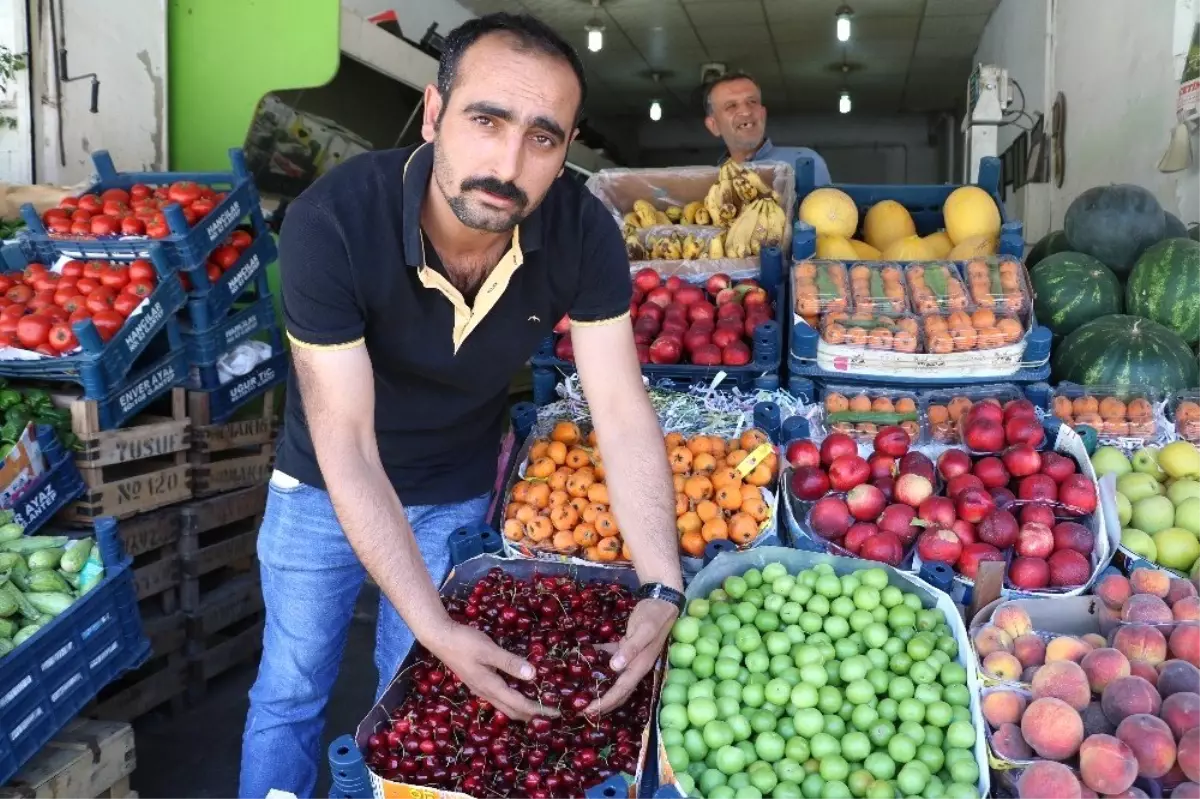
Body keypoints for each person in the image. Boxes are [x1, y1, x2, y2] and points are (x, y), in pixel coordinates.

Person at [239, 12, 685, 798]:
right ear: (436, 112)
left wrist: (661, 583)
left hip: (453, 488)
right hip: (321, 486)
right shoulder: (332, 223)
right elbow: (346, 441)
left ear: (567, 147)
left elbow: (618, 408)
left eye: (543, 138)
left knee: (416, 685)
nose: (508, 163)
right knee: (292, 683)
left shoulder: (583, 231)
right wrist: (437, 622)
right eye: (486, 120)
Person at [703, 71, 832, 185]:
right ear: (714, 126)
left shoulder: (805, 162)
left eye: (752, 102)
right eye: (731, 106)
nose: (746, 111)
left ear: (763, 114)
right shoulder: (709, 182)